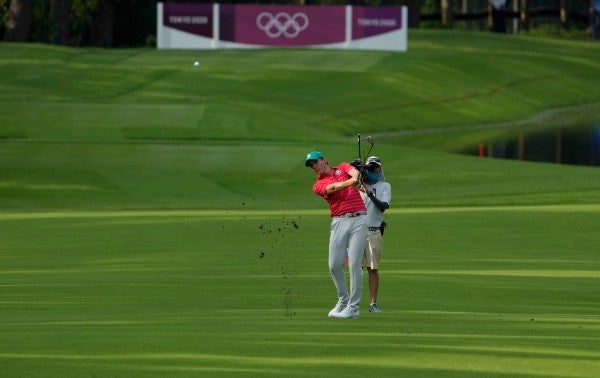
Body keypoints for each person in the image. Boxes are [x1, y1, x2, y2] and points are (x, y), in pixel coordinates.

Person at [305, 150, 368, 319]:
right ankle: (343, 300)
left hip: (359, 218)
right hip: (339, 221)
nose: (314, 167)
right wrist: (351, 182)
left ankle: (353, 308)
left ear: (324, 159)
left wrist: (356, 177)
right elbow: (333, 188)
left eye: (315, 162)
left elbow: (354, 171)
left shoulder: (342, 166)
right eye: (311, 165)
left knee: (354, 263)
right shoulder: (318, 185)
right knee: (334, 265)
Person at [360, 156, 391, 313]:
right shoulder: (358, 184)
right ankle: (353, 302)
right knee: (355, 268)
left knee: (372, 268)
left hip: (374, 231)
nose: (375, 171)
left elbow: (383, 206)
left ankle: (373, 303)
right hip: (356, 232)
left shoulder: (384, 186)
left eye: (377, 168)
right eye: (372, 169)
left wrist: (369, 194)